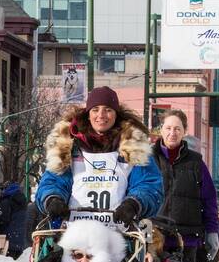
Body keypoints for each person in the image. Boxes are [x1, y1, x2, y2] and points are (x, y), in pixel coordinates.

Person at [34, 87, 163, 229]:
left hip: (120, 233)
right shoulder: (67, 146)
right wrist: (53, 198)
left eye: (108, 110)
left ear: (116, 114)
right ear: (88, 114)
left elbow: (148, 184)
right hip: (73, 232)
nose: (101, 115)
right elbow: (53, 181)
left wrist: (134, 203)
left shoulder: (134, 146)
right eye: (95, 109)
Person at [151, 109, 219, 262]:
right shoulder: (147, 159)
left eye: (177, 129)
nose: (172, 133)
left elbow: (209, 199)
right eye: (168, 128)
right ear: (161, 130)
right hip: (153, 237)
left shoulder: (196, 162)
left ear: (184, 132)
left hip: (186, 238)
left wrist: (212, 231)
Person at [0, 181, 30, 257]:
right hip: (20, 239)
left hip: (9, 239)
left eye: (2, 189)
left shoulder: (6, 201)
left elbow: (3, 220)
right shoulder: (22, 200)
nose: (1, 191)